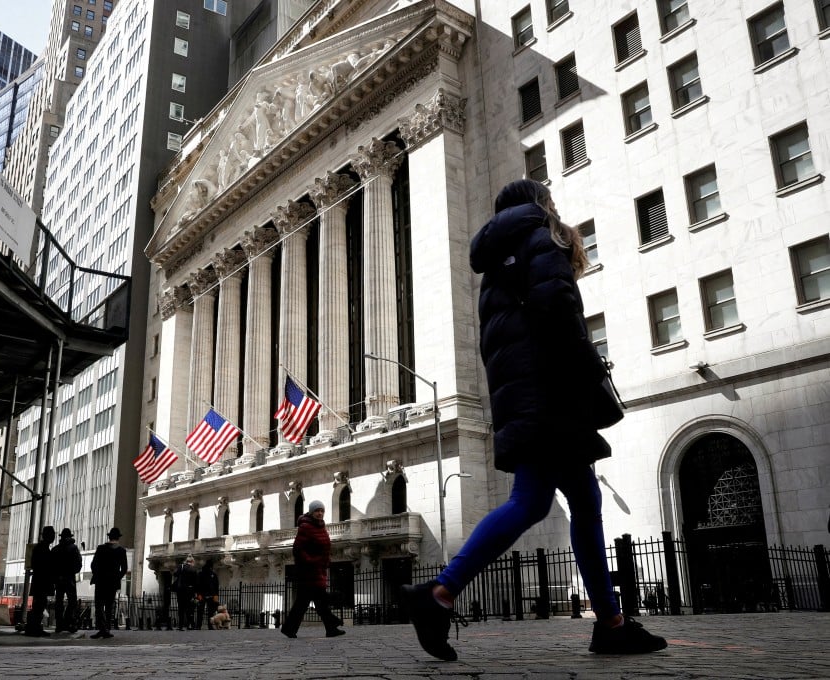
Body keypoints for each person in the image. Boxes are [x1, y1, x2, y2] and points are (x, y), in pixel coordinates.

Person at [402, 179, 668, 660]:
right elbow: (557, 310)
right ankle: (441, 591)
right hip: (552, 393)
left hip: (524, 396)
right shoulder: (540, 238)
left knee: (582, 500)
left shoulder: (495, 263)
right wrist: (590, 372)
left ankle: (610, 622)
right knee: (532, 501)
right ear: (542, 204)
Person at [280, 500, 345, 638]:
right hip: (308, 572)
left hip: (319, 570)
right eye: (317, 511)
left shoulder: (321, 526)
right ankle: (331, 625)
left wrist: (325, 561)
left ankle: (291, 628)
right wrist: (311, 561)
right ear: (311, 512)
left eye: (322, 511)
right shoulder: (306, 527)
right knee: (313, 602)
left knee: (310, 602)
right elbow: (298, 549)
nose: (320, 513)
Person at [90, 527, 127, 639]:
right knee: (109, 606)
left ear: (109, 537)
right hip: (112, 583)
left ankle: (101, 629)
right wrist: (116, 577)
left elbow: (93, 564)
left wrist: (97, 574)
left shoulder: (101, 549)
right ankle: (107, 629)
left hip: (101, 582)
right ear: (118, 538)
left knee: (99, 606)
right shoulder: (121, 551)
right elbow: (124, 568)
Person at [25, 525, 56, 636]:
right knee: (39, 605)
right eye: (52, 535)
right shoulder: (43, 549)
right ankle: (35, 628)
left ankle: (35, 627)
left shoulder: (41, 547)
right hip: (42, 581)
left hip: (40, 581)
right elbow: (44, 566)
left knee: (39, 604)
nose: (53, 537)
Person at [51, 527, 82, 633]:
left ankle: (59, 624)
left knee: (59, 601)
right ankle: (68, 621)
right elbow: (78, 565)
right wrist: (71, 571)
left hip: (58, 580)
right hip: (69, 578)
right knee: (72, 601)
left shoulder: (55, 549)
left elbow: (51, 566)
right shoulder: (74, 548)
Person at [195, 558, 220, 630]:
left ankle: (198, 625)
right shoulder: (213, 574)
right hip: (211, 594)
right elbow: (216, 586)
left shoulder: (200, 574)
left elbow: (197, 585)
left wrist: (198, 594)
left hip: (202, 594)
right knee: (210, 612)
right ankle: (209, 625)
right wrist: (216, 595)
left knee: (200, 611)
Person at [174, 555, 198, 630]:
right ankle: (189, 625)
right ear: (192, 562)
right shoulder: (193, 569)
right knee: (189, 609)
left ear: (186, 561)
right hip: (189, 591)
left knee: (181, 608)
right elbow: (196, 582)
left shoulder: (181, 567)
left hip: (180, 591)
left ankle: (180, 626)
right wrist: (195, 593)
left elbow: (175, 574)